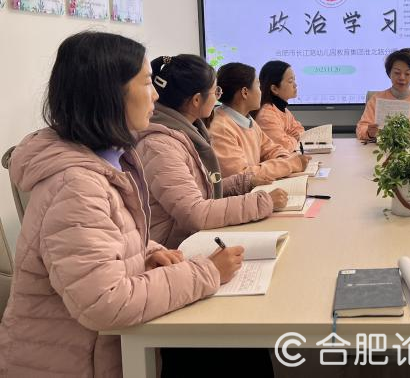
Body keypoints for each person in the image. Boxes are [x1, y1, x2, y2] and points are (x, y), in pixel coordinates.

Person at [0, 32, 243, 377]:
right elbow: (105, 303)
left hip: (108, 351)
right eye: (146, 83)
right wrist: (208, 272)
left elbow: (108, 240)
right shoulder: (76, 185)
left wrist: (147, 251)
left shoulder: (109, 159)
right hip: (74, 364)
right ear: (109, 94)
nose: (156, 95)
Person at [135, 54, 285, 250]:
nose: (218, 97)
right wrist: (262, 202)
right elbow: (195, 213)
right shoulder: (160, 147)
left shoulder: (190, 132)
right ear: (197, 100)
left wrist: (245, 181)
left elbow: (201, 190)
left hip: (193, 239)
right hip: (175, 250)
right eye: (216, 91)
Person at [210, 62, 310, 180]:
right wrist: (289, 165)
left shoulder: (247, 119)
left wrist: (286, 160)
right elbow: (241, 177)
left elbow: (271, 149)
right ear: (245, 92)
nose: (261, 91)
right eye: (258, 85)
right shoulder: (221, 129)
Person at [356, 48, 410, 141]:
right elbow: (361, 129)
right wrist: (369, 133)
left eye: (407, 74)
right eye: (397, 73)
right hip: (382, 148)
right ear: (389, 73)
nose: (402, 78)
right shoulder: (376, 99)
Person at [253, 60, 305, 151]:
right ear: (274, 89)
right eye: (290, 81)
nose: (295, 85)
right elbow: (285, 146)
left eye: (294, 80)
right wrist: (293, 138)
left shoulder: (283, 110)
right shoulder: (266, 116)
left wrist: (289, 137)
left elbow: (301, 132)